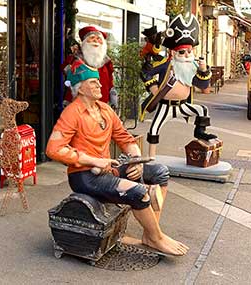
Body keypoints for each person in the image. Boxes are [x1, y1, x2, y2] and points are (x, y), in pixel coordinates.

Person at [46, 60, 189, 256]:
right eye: (93, 83)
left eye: (98, 82)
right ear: (80, 88)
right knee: (139, 192)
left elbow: (124, 137)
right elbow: (53, 149)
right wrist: (94, 160)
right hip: (85, 176)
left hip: (109, 168)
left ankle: (151, 233)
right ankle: (156, 238)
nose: (100, 86)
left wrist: (136, 161)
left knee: (159, 173)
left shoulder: (105, 109)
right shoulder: (72, 112)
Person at [140, 14, 217, 158]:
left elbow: (203, 86)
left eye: (189, 51)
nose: (187, 55)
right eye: (182, 52)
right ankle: (151, 157)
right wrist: (153, 87)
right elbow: (146, 72)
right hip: (165, 105)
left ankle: (200, 133)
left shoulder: (193, 66)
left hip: (183, 105)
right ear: (173, 52)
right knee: (154, 128)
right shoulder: (165, 64)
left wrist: (203, 70)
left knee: (202, 110)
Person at [63, 26, 118, 109]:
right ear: (84, 42)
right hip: (80, 108)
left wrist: (113, 99)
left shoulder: (107, 63)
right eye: (92, 38)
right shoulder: (75, 60)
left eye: (99, 38)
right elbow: (69, 79)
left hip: (102, 106)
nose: (96, 41)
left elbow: (110, 84)